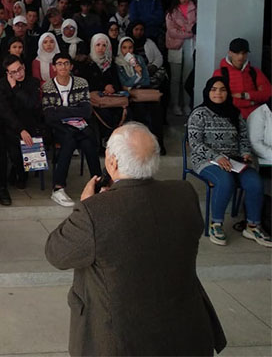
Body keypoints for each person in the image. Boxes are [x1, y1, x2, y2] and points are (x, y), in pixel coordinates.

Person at [45, 122, 227, 357]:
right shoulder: (185, 194)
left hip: (121, 340)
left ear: (111, 162)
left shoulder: (95, 212)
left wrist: (89, 204)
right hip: (186, 332)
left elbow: (56, 253)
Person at [187, 77, 271, 246]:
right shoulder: (199, 113)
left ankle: (252, 226)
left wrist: (246, 153)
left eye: (223, 89)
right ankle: (215, 224)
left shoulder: (234, 113)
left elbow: (244, 139)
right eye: (214, 89)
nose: (218, 93)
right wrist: (217, 157)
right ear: (207, 92)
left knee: (255, 182)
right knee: (225, 182)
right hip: (207, 160)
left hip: (234, 160)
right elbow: (195, 144)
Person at [41, 54, 101, 208]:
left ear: (71, 66)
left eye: (66, 63)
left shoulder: (81, 83)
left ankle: (98, 184)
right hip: (59, 127)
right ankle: (58, 188)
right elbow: (49, 115)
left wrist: (61, 109)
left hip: (79, 125)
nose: (63, 67)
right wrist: (73, 111)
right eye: (59, 64)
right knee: (69, 140)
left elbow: (87, 111)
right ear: (54, 67)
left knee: (89, 143)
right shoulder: (48, 86)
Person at [0, 55, 44, 199]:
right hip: (8, 123)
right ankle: (18, 172)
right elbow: (5, 111)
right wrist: (20, 129)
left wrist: (15, 88)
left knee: (31, 139)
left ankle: (22, 174)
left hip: (29, 121)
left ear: (24, 66)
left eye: (20, 69)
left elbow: (32, 105)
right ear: (8, 74)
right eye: (14, 72)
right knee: (12, 146)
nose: (19, 74)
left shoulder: (33, 82)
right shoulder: (1, 85)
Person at [115, 37, 165, 152]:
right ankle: (142, 144)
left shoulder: (139, 59)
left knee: (156, 110)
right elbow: (123, 83)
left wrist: (136, 77)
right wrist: (136, 76)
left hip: (143, 91)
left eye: (130, 47)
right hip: (129, 95)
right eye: (124, 48)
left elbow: (146, 79)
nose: (128, 51)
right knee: (139, 111)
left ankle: (158, 144)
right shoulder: (118, 63)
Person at [212, 38, 271, 119]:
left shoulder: (254, 72)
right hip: (230, 117)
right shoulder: (220, 73)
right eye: (237, 53)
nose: (241, 56)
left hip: (255, 117)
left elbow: (268, 94)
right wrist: (251, 102)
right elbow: (217, 98)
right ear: (230, 53)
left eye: (244, 53)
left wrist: (244, 95)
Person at [165, 0, 197, 115]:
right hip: (175, 46)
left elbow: (195, 26)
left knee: (187, 77)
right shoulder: (171, 12)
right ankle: (175, 105)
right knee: (175, 78)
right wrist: (188, 32)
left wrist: (184, 29)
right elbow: (171, 31)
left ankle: (186, 105)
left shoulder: (195, 9)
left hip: (190, 45)